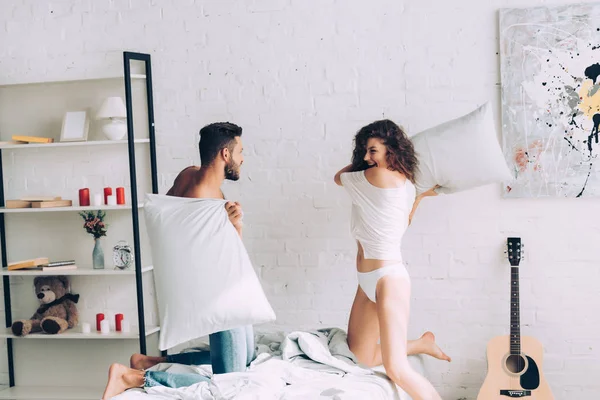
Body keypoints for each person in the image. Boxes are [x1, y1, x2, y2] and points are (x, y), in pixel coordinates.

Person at [102, 122, 254, 399]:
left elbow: (167, 222)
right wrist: (236, 226)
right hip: (222, 297)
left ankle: (152, 362)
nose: (243, 158)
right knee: (232, 381)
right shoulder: (205, 207)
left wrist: (228, 224)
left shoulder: (189, 175)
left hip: (219, 289)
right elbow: (231, 260)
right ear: (225, 154)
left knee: (251, 356)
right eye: (240, 151)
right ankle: (136, 377)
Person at [334, 120, 450, 400]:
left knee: (396, 369)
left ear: (392, 149)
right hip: (368, 281)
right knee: (360, 354)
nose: (365, 158)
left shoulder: (376, 178)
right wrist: (420, 197)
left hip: (388, 280)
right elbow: (401, 222)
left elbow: (338, 177)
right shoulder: (407, 186)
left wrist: (363, 164)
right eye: (364, 151)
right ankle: (421, 344)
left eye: (372, 150)